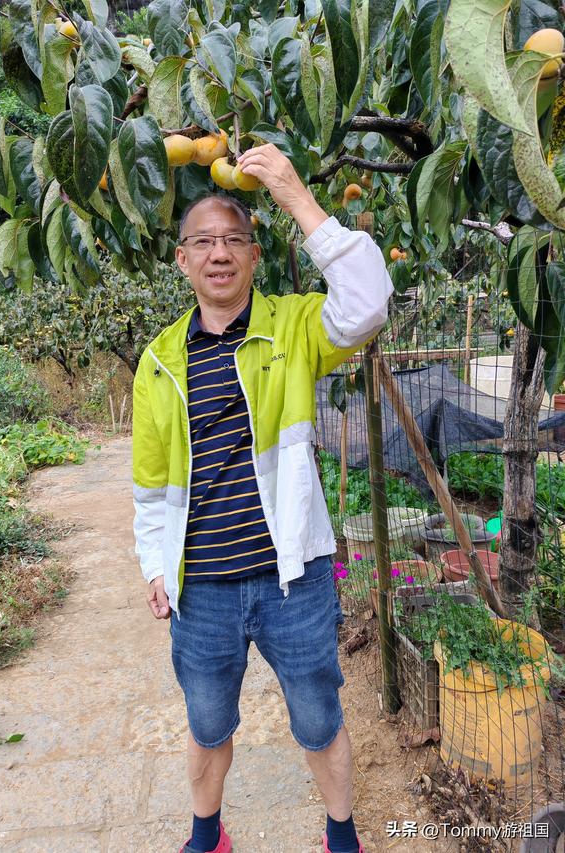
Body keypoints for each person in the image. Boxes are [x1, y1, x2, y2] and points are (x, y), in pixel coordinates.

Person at [132, 144, 393, 853]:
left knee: (318, 718)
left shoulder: (294, 327)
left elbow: (367, 301)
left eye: (233, 240)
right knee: (207, 722)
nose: (219, 253)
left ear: (254, 255)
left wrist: (293, 194)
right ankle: (206, 836)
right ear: (182, 261)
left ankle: (342, 835)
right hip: (202, 588)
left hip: (293, 580)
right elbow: (151, 488)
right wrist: (156, 563)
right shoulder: (157, 363)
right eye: (203, 242)